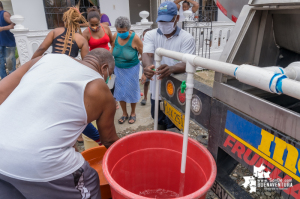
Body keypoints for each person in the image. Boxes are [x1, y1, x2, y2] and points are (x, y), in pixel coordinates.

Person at [0, 48, 119, 199]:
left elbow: (2, 93)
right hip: (41, 162)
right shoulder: (101, 89)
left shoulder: (44, 60)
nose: (109, 78)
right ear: (104, 68)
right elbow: (109, 140)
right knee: (89, 181)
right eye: (110, 74)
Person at [142, 1, 196, 130]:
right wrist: (148, 66)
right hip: (157, 87)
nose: (164, 24)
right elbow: (147, 54)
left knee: (174, 123)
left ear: (176, 18)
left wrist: (171, 68)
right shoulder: (151, 34)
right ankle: (160, 144)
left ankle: (173, 145)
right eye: (161, 21)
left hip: (177, 89)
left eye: (167, 21)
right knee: (158, 118)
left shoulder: (186, 38)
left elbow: (187, 63)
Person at [111, 16, 143, 124]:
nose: (121, 33)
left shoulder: (135, 38)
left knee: (131, 90)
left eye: (123, 31)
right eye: (119, 31)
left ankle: (133, 113)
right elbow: (112, 48)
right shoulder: (115, 36)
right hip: (118, 69)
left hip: (132, 69)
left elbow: (143, 53)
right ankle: (124, 113)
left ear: (129, 29)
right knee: (120, 91)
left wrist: (144, 70)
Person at [0, 1, 16, 79]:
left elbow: (14, 25)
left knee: (10, 66)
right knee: (0, 66)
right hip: (0, 44)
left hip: (7, 44)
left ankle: (13, 83)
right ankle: (4, 83)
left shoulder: (4, 14)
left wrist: (2, 28)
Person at [140, 28, 152, 106]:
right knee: (146, 82)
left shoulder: (154, 43)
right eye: (144, 36)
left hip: (153, 65)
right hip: (145, 65)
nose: (145, 38)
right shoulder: (142, 44)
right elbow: (142, 55)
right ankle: (145, 98)